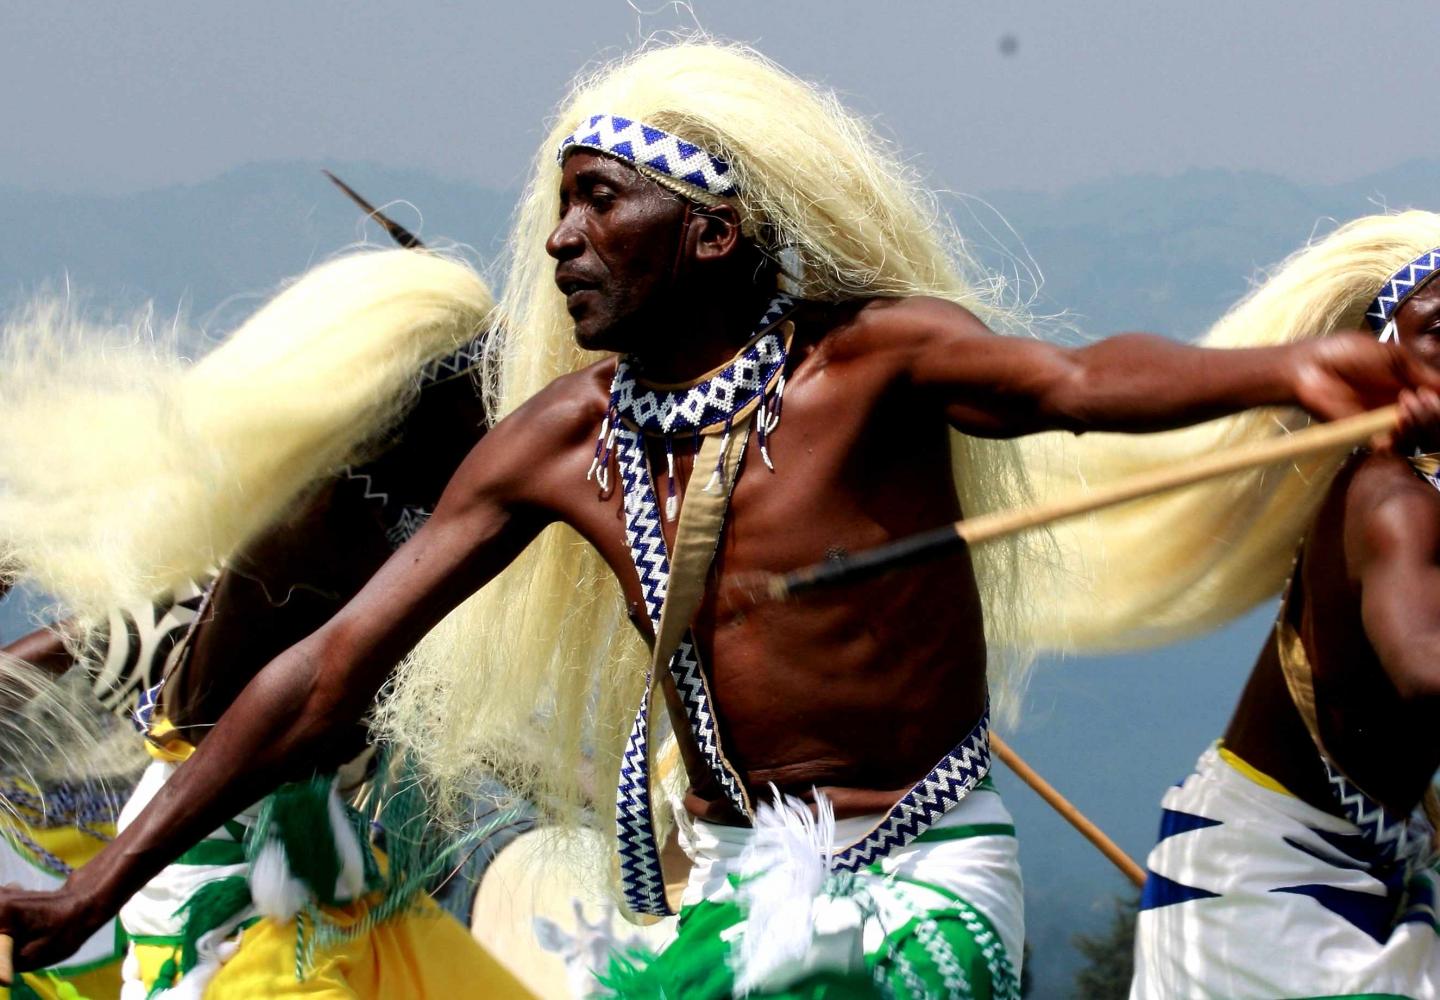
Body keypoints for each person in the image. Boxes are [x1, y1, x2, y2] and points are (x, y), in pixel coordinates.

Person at [2, 43, 1438, 999]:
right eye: (557, 209)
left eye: (599, 202)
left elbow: (1078, 382)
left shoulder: (872, 362)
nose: (560, 237)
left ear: (714, 231)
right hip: (730, 901)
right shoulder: (559, 444)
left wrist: (1293, 371)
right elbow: (328, 677)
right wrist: (103, 889)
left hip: (918, 886)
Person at [0, 249, 533, 997]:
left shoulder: (380, 509)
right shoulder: (333, 529)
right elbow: (289, 704)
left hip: (314, 875)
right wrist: (96, 886)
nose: (513, 423)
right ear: (415, 406)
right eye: (489, 392)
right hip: (226, 884)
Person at [1129, 218, 1440, 998]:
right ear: (1383, 359)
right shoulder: (1392, 498)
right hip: (1257, 876)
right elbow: (1425, 671)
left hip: (1360, 865)